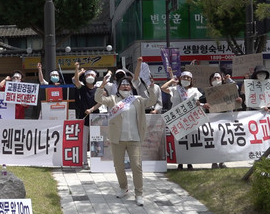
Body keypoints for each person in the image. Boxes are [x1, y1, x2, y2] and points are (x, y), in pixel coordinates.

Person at [94, 75, 157, 206]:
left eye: (128, 84)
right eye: (122, 84)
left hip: (135, 138)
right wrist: (102, 86)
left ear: (131, 87)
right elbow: (98, 98)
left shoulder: (138, 100)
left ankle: (139, 193)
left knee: (137, 166)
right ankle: (124, 187)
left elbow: (152, 100)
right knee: (119, 166)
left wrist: (151, 88)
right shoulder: (113, 99)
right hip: (118, 139)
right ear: (118, 86)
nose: (125, 86)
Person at [161, 69, 203, 170]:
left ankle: (189, 163)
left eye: (188, 78)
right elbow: (163, 88)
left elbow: (197, 103)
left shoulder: (195, 90)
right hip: (177, 119)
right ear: (180, 78)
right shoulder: (175, 89)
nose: (186, 79)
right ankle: (180, 163)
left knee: (189, 141)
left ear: (191, 80)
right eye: (184, 77)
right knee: (179, 142)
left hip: (189, 119)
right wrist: (172, 81)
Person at [203, 72, 242, 169]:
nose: (216, 80)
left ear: (222, 79)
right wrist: (204, 105)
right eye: (214, 78)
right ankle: (214, 161)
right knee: (214, 140)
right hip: (213, 119)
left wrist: (238, 101)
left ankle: (222, 161)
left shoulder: (228, 90)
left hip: (226, 118)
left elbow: (235, 88)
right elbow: (201, 103)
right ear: (210, 81)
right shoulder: (207, 92)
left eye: (218, 78)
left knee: (225, 140)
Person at [73, 62, 102, 168]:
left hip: (95, 117)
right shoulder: (82, 88)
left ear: (95, 77)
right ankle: (85, 162)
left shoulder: (98, 89)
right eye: (88, 75)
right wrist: (77, 69)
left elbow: (100, 102)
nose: (90, 77)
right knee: (84, 141)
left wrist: (92, 109)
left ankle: (97, 162)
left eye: (92, 75)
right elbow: (76, 80)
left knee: (96, 140)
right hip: (83, 117)